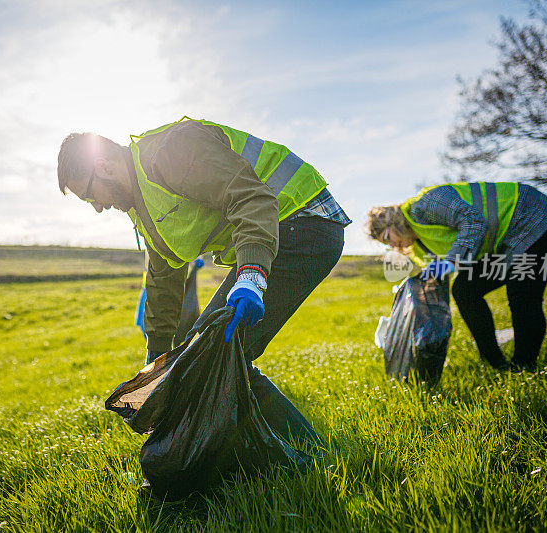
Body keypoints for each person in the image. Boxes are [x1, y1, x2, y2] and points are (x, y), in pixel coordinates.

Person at [57, 116, 350, 448]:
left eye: (89, 194)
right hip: (280, 231)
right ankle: (271, 456)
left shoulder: (170, 151)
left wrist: (251, 275)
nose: (97, 207)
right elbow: (163, 277)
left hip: (304, 217)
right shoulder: (142, 207)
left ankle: (311, 457)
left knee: (217, 354)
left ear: (104, 166)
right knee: (205, 353)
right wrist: (156, 357)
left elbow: (252, 198)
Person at [366, 181, 547, 372]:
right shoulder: (421, 247)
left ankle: (523, 368)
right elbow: (434, 288)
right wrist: (400, 322)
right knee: (465, 290)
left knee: (522, 294)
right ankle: (495, 364)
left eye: (387, 238)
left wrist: (451, 262)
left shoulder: (426, 204)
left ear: (394, 222)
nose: (392, 246)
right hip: (504, 243)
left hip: (531, 215)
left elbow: (473, 220)